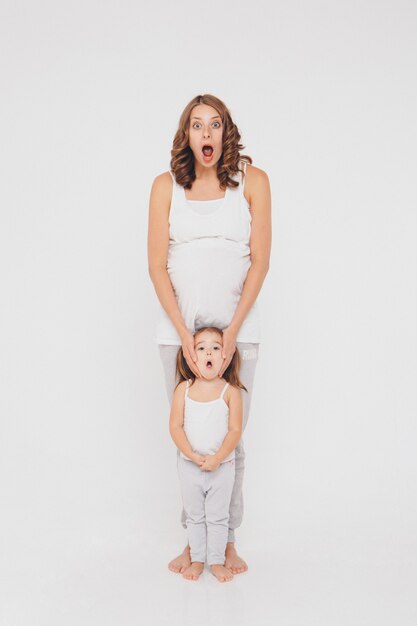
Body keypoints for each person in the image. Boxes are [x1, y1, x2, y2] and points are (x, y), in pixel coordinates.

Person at [148, 93, 271, 574]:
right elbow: (157, 266)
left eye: (215, 125)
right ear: (187, 135)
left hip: (238, 337)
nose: (207, 134)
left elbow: (260, 261)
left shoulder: (253, 183)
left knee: (230, 440)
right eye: (197, 126)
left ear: (226, 132)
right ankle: (196, 544)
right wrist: (184, 336)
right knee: (190, 437)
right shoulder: (165, 188)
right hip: (178, 338)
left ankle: (227, 541)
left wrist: (232, 337)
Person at [169, 327, 247, 582]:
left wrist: (218, 457)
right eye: (201, 348)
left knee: (217, 517)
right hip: (190, 466)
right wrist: (190, 454)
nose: (208, 352)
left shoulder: (230, 391)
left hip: (221, 467)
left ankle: (216, 560)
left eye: (215, 347)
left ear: (226, 356)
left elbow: (235, 430)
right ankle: (197, 558)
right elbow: (175, 426)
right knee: (195, 516)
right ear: (191, 356)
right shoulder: (184, 389)